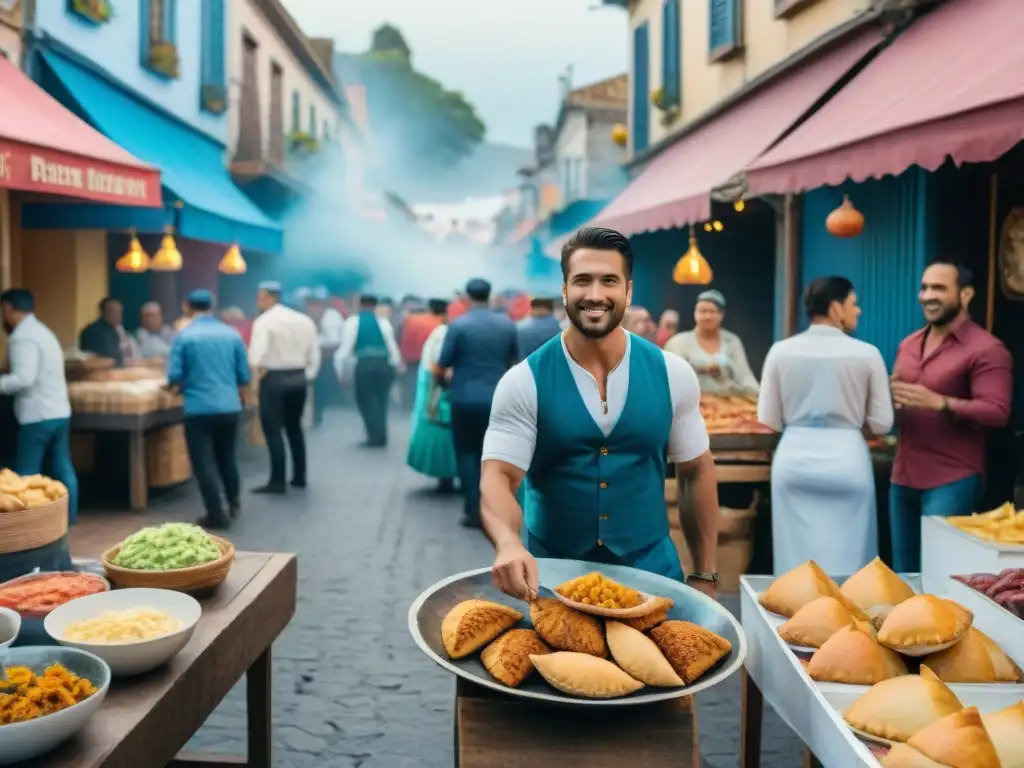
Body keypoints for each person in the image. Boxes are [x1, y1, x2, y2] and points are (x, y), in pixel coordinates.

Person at [480, 228, 720, 598]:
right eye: (582, 281)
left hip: (654, 577)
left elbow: (696, 469)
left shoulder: (672, 373)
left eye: (608, 280)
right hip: (554, 581)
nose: (595, 294)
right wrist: (508, 542)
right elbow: (498, 476)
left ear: (628, 290)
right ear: (564, 291)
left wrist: (705, 573)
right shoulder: (524, 381)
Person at [758, 277, 894, 575]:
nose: (857, 311)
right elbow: (883, 423)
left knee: (796, 568)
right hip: (848, 461)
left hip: (794, 460)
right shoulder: (867, 353)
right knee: (854, 569)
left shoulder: (780, 351)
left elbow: (768, 417)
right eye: (853, 304)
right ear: (835, 308)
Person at [889, 260, 1012, 572]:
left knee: (939, 574)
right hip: (902, 475)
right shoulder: (909, 343)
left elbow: (998, 411)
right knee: (905, 574)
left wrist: (941, 402)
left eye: (939, 288)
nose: (928, 295)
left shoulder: (987, 349)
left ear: (966, 294)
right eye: (925, 287)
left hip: (951, 478)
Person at [166, 290, 251, 529]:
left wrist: (174, 387)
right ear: (213, 306)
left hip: (198, 408)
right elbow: (244, 375)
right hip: (229, 406)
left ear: (187, 307)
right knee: (227, 457)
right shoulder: (231, 334)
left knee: (204, 463)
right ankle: (234, 502)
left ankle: (216, 514)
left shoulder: (184, 336)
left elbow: (174, 376)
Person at [438, 278, 518, 529]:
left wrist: (445, 385)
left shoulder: (458, 325)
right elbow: (515, 362)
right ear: (489, 295)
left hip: (463, 399)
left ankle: (474, 510)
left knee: (467, 453)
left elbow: (443, 362)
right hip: (498, 399)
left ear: (467, 297)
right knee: (494, 456)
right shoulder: (507, 325)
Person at [0, 288, 79, 525]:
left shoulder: (23, 337)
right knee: (62, 469)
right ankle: (68, 518)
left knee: (25, 477)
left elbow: (24, 378)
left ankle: (27, 528)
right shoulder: (43, 331)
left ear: (8, 308)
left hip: (37, 415)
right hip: (58, 411)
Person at [248, 281, 320, 494]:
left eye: (260, 297)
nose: (258, 302)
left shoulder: (264, 321)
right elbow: (313, 355)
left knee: (273, 431)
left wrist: (253, 379)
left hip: (274, 379)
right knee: (295, 428)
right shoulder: (304, 320)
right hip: (298, 378)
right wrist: (306, 376)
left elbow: (256, 355)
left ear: (269, 297)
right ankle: (300, 476)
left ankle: (277, 481)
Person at [334, 294, 402, 446]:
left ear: (359, 304)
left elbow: (345, 350)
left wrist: (341, 372)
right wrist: (396, 365)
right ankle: (381, 435)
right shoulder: (383, 322)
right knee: (381, 401)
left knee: (365, 400)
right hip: (384, 365)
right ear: (375, 305)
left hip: (365, 365)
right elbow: (392, 346)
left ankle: (374, 436)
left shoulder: (352, 322)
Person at [664, 290, 760, 397]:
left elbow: (745, 377)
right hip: (690, 403)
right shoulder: (678, 342)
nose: (707, 317)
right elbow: (670, 378)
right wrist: (698, 370)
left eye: (712, 312)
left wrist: (759, 396)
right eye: (702, 311)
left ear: (722, 315)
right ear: (695, 313)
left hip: (729, 404)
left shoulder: (732, 341)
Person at [406, 299, 458, 491]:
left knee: (436, 426)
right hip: (439, 383)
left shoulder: (438, 332)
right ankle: (450, 473)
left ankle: (444, 475)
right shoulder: (443, 331)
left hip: (431, 382)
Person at [305, 287, 345, 427]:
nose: (313, 306)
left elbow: (335, 341)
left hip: (325, 358)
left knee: (320, 388)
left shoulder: (332, 316)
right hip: (309, 357)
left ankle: (317, 415)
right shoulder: (305, 316)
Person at [399, 299, 441, 410]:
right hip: (429, 358)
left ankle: (407, 405)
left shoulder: (410, 321)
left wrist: (403, 357)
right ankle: (424, 405)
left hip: (412, 357)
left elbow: (405, 339)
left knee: (411, 382)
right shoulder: (436, 321)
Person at [79, 297, 138, 367]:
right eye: (114, 312)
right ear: (104, 313)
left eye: (119, 312)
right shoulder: (94, 331)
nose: (118, 316)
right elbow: (109, 358)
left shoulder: (115, 330)